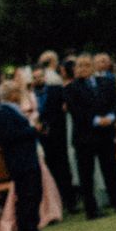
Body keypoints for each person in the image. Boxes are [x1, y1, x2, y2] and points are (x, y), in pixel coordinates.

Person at [0, 81, 57, 231]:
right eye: (17, 92)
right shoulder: (3, 112)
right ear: (10, 94)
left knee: (35, 195)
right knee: (26, 198)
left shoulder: (14, 110)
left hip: (29, 157)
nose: (20, 94)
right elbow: (9, 137)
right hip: (19, 161)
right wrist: (33, 130)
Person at [66, 56, 116, 219]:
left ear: (93, 67)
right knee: (86, 174)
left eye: (86, 65)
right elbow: (76, 111)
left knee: (111, 169)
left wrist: (112, 117)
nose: (82, 69)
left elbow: (115, 102)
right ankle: (91, 210)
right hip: (85, 136)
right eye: (79, 66)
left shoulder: (106, 82)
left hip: (106, 133)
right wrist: (96, 120)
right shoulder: (71, 88)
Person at [36, 53, 78, 209]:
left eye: (40, 76)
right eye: (35, 77)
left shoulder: (56, 90)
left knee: (63, 168)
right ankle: (56, 203)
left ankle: (71, 202)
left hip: (57, 134)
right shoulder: (31, 95)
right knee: (49, 171)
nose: (38, 79)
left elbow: (65, 107)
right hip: (40, 138)